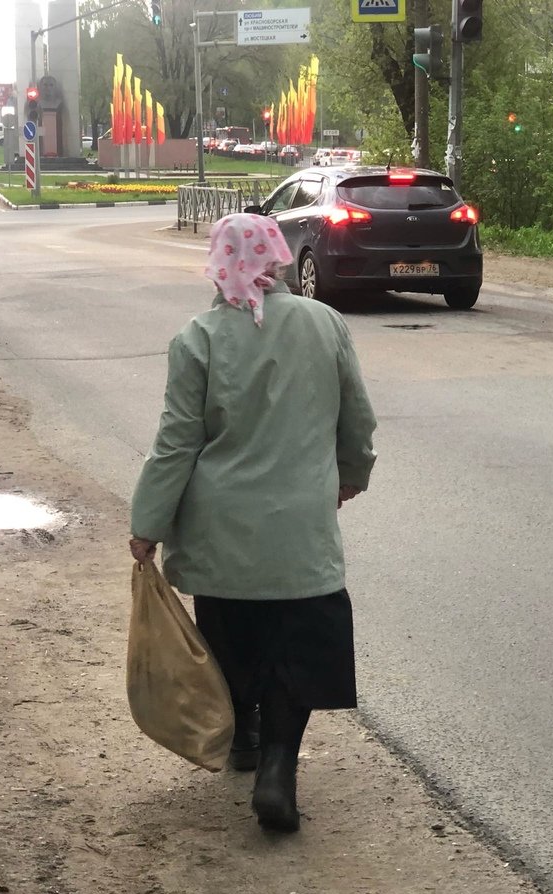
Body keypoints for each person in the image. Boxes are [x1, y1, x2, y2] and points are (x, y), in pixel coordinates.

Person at [129, 212, 377, 833]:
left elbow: (176, 444)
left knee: (232, 642)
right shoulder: (326, 324)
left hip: (222, 536)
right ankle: (276, 769)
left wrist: (147, 523)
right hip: (301, 532)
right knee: (296, 651)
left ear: (218, 264)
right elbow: (357, 417)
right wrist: (351, 473)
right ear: (280, 258)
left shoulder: (199, 337)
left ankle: (242, 738)